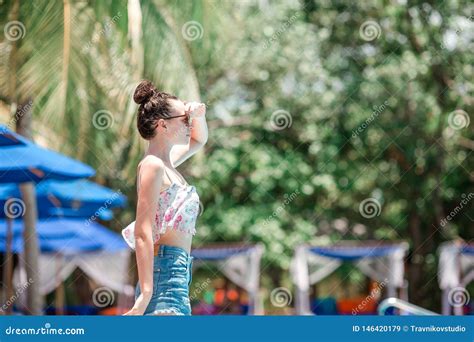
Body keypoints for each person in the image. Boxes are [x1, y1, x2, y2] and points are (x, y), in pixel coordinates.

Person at [122, 80, 208, 315]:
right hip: (164, 276)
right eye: (184, 119)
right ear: (162, 125)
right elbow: (143, 232)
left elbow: (199, 140)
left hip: (177, 275)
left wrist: (197, 115)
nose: (189, 124)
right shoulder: (153, 165)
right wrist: (146, 295)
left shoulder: (168, 165)